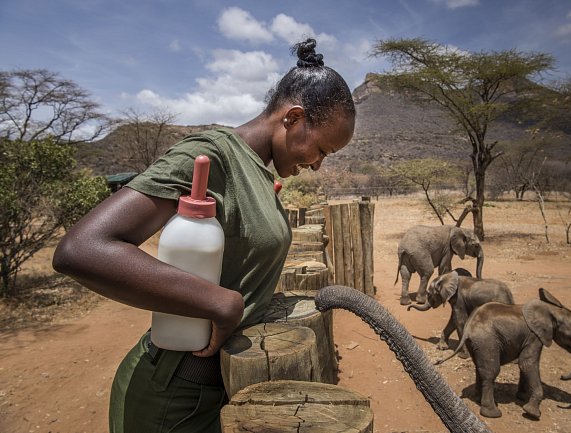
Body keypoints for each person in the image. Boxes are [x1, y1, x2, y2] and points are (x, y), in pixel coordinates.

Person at [52, 38, 356, 433]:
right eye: (323, 150)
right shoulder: (212, 155)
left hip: (217, 389)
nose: (317, 165)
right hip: (174, 396)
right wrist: (220, 303)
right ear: (294, 118)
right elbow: (81, 249)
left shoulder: (259, 173)